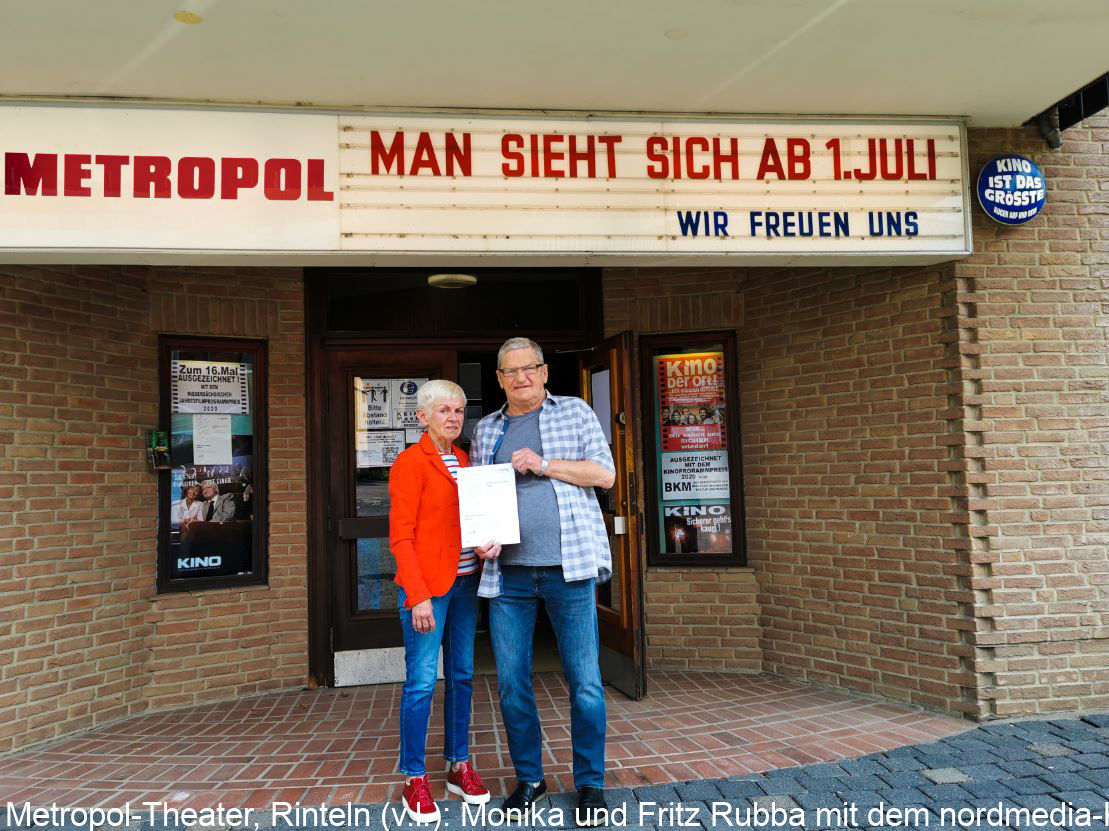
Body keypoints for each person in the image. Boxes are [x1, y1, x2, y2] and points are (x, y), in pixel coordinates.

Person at [472, 337, 615, 827]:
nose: (521, 378)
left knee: (587, 685)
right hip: (507, 575)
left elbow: (605, 476)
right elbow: (478, 499)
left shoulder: (575, 412)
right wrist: (480, 540)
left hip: (568, 570)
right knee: (512, 685)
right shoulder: (487, 429)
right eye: (510, 372)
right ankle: (530, 779)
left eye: (529, 368)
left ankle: (590, 783)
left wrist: (545, 464)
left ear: (544, 371)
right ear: (499, 379)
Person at [388, 379, 490, 823]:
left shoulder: (466, 460)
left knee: (463, 675)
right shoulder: (410, 464)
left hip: (467, 583)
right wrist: (418, 597)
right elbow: (401, 537)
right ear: (422, 416)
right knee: (422, 683)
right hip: (427, 591)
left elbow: (465, 521)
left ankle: (457, 765)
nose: (453, 417)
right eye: (444, 410)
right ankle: (413, 776)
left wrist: (486, 543)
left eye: (458, 411)